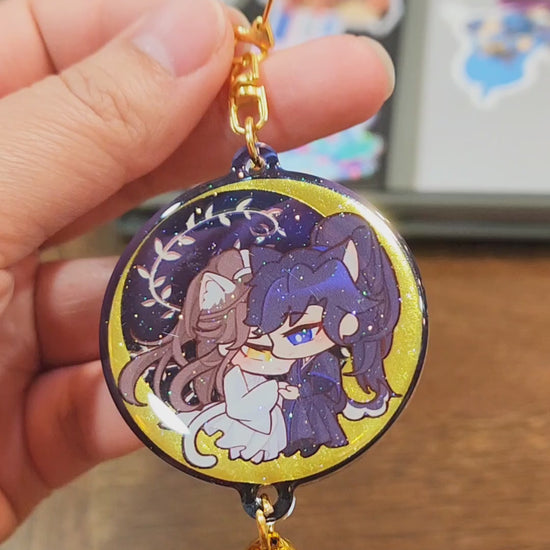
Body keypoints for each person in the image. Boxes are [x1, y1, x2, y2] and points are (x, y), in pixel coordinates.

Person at [0, 0, 395, 541]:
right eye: (263, 329)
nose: (272, 343)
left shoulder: (316, 375)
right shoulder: (238, 357)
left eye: (302, 331)